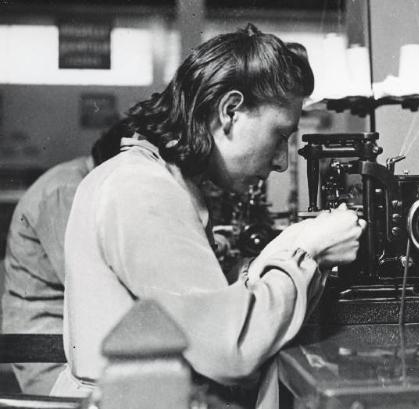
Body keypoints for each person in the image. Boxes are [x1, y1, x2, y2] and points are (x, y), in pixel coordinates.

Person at [51, 24, 365, 408]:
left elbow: (202, 310)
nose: (283, 161)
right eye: (280, 135)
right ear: (230, 111)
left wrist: (284, 251)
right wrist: (306, 253)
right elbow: (230, 349)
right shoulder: (141, 189)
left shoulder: (150, 177)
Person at [1, 122, 126, 395]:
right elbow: (89, 284)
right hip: (48, 350)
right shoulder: (66, 189)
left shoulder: (83, 179)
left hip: (67, 340)